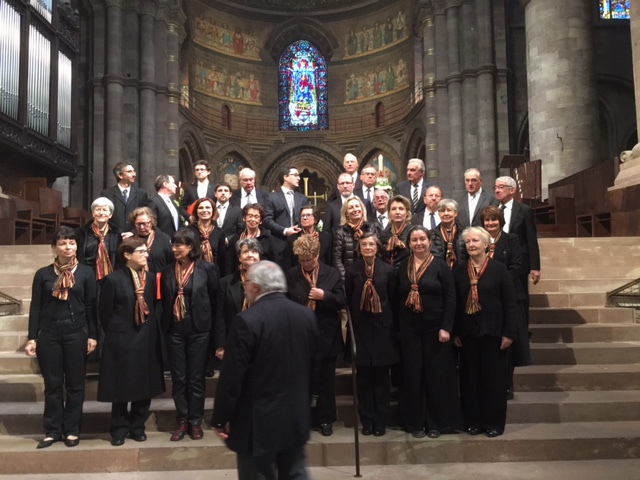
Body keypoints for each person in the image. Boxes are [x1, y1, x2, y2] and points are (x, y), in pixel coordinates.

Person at [212, 261, 318, 480]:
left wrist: (221, 418)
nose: (245, 287)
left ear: (256, 287)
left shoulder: (246, 321)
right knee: (296, 473)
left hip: (257, 423)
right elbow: (313, 365)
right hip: (295, 416)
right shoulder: (306, 315)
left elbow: (231, 378)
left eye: (247, 282)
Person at [25, 226, 97, 449]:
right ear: (54, 247)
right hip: (49, 335)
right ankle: (53, 430)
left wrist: (92, 335)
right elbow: (36, 307)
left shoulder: (85, 273)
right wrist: (31, 338)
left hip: (76, 333)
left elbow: (90, 306)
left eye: (72, 242)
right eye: (63, 243)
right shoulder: (43, 274)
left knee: (75, 385)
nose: (68, 247)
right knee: (53, 385)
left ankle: (72, 430)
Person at [97, 238, 165, 446]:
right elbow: (105, 312)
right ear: (127, 255)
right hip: (122, 339)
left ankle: (137, 426)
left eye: (146, 251)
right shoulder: (114, 279)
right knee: (121, 386)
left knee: (144, 383)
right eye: (141, 252)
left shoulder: (151, 278)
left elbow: (154, 306)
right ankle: (119, 428)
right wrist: (119, 331)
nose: (146, 255)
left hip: (146, 337)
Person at [396, 226, 462, 439]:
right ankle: (415, 422)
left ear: (429, 241)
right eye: (414, 240)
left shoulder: (440, 266)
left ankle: (436, 423)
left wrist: (447, 327)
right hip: (410, 330)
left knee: (436, 376)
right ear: (409, 243)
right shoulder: (403, 266)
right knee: (413, 376)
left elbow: (451, 298)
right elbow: (398, 296)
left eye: (422, 239)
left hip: (436, 330)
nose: (418, 243)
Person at [452, 227, 518, 438]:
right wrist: (455, 332)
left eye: (476, 241)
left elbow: (509, 303)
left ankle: (494, 423)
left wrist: (509, 332)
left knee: (494, 381)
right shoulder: (460, 270)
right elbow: (454, 304)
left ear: (486, 244)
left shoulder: (499, 269)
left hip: (494, 333)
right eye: (468, 242)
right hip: (468, 334)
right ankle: (472, 421)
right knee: (470, 380)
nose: (471, 245)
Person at [161, 228, 220, 441]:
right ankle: (182, 420)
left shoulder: (207, 268)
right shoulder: (168, 270)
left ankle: (195, 421)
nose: (174, 248)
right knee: (179, 378)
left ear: (191, 247)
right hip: (174, 330)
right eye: (173, 244)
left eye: (179, 245)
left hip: (199, 329)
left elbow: (215, 300)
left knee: (195, 379)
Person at [287, 235, 345, 437]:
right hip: (300, 337)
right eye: (302, 260)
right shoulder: (292, 275)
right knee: (302, 381)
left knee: (326, 382)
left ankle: (326, 419)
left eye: (309, 260)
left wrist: (324, 296)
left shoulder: (331, 273)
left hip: (326, 335)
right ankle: (302, 420)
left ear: (317, 255)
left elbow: (341, 300)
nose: (306, 264)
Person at [344, 233, 398, 436]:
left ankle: (380, 422)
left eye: (371, 244)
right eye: (364, 244)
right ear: (359, 248)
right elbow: (348, 298)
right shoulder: (352, 270)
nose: (367, 247)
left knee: (382, 380)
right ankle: (366, 420)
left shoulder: (388, 270)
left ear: (377, 248)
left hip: (383, 330)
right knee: (364, 380)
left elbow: (392, 298)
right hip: (361, 329)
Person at [481, 205, 531, 399]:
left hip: (510, 295)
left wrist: (499, 282)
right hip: (486, 297)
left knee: (510, 342)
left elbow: (517, 265)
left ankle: (508, 383)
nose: (490, 223)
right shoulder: (480, 240)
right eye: (487, 220)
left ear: (500, 221)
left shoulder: (512, 239)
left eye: (494, 220)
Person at [494, 176, 541, 321]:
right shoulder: (493, 210)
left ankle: (522, 331)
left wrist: (535, 266)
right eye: (495, 187)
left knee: (520, 298)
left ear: (512, 190)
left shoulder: (524, 210)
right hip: (497, 259)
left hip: (519, 261)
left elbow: (531, 239)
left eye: (501, 187)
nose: (497, 190)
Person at [214, 238, 263, 360]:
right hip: (234, 340)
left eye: (254, 251)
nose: (250, 255)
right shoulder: (225, 283)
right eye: (245, 252)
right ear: (239, 258)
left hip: (262, 341)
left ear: (259, 257)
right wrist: (221, 345)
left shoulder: (268, 282)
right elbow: (220, 316)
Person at [333, 196, 380, 281]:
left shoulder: (371, 228)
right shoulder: (341, 232)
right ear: (346, 213)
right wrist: (346, 278)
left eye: (357, 206)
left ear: (362, 209)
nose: (355, 209)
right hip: (349, 277)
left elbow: (378, 253)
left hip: (371, 275)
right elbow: (337, 260)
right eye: (351, 208)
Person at [77, 197, 122, 281]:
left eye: (105, 210)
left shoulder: (116, 233)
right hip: (87, 276)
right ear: (93, 213)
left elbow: (119, 258)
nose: (101, 213)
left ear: (110, 215)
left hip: (110, 276)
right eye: (98, 209)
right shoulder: (82, 232)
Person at [226, 203, 278, 271]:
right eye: (250, 216)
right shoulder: (236, 238)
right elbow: (230, 263)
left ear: (260, 221)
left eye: (256, 217)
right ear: (244, 218)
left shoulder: (269, 239)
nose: (253, 219)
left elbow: (275, 264)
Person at [100, 161, 149, 232]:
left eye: (134, 171)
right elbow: (104, 216)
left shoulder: (141, 194)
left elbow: (145, 216)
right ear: (120, 175)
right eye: (130, 172)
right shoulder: (107, 193)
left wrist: (133, 232)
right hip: (114, 235)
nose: (134, 174)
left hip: (135, 236)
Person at [283, 205, 332, 270]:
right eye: (302, 216)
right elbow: (288, 263)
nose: (305, 218)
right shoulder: (293, 238)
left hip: (322, 274)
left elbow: (329, 261)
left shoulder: (326, 237)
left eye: (308, 215)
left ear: (316, 219)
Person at [186, 197, 226, 275]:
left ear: (213, 211)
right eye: (201, 208)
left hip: (213, 273)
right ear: (196, 211)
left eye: (207, 207)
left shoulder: (219, 232)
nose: (204, 210)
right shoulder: (188, 231)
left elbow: (222, 258)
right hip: (192, 273)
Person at [129, 207, 173, 274]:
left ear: (151, 222)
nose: (141, 227)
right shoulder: (130, 240)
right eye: (138, 224)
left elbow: (171, 263)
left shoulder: (164, 239)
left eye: (145, 224)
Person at [431, 199, 466, 269]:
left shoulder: (465, 233)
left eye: (449, 210)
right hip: (440, 272)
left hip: (461, 273)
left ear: (455, 213)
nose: (446, 213)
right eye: (442, 211)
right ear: (438, 213)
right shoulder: (431, 234)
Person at [380, 194, 413, 268]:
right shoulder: (384, 234)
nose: (397, 212)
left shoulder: (413, 232)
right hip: (388, 274)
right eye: (394, 209)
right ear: (389, 213)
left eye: (401, 209)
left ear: (407, 212)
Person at [214, 181, 245, 246]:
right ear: (215, 194)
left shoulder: (238, 211)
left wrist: (228, 239)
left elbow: (242, 229)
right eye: (220, 190)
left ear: (230, 194)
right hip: (211, 246)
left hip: (230, 247)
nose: (223, 193)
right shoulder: (209, 209)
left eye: (226, 191)